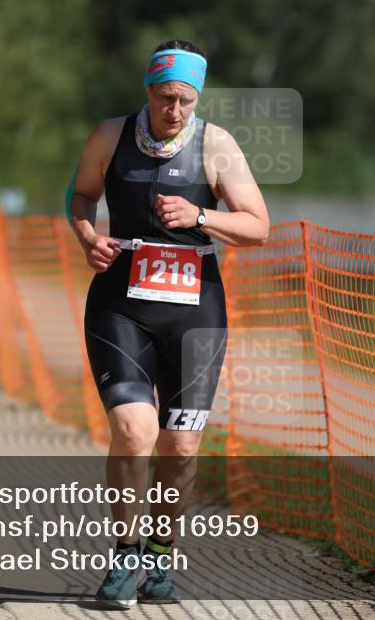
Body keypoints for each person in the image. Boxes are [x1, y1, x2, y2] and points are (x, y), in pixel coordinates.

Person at [67, 39, 269, 608]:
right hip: (120, 304)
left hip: (196, 313)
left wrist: (202, 215)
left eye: (184, 99)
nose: (174, 110)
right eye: (164, 97)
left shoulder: (217, 146)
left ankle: (160, 556)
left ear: (197, 96)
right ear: (148, 89)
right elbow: (81, 197)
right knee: (134, 430)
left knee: (179, 447)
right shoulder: (110, 136)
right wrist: (88, 238)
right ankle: (124, 558)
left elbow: (259, 226)